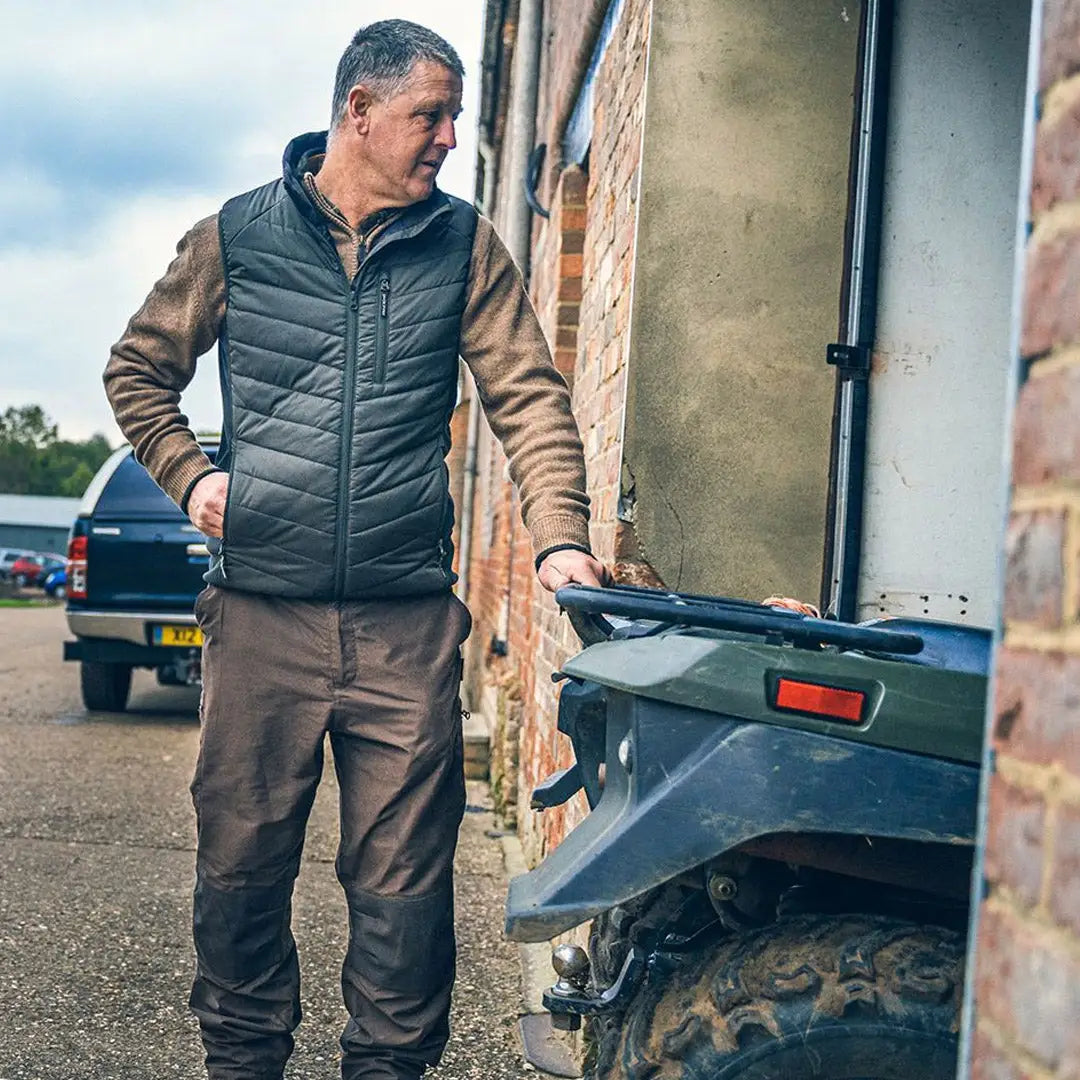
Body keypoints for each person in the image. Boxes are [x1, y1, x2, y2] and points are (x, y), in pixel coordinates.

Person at [103, 19, 606, 1080]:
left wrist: (560, 540)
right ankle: (243, 1065)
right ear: (359, 111)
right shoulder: (236, 237)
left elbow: (528, 396)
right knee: (238, 873)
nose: (446, 139)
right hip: (260, 624)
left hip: (402, 625)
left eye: (457, 118)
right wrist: (192, 478)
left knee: (405, 898)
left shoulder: (463, 244)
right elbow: (138, 371)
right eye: (431, 115)